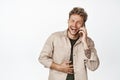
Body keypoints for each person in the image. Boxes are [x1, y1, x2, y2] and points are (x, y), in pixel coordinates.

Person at [38, 7, 99, 80]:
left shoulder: (88, 42)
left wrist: (85, 44)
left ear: (83, 25)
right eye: (72, 21)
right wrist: (58, 67)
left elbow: (94, 67)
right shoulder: (55, 37)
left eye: (78, 22)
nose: (74, 25)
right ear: (68, 21)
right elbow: (42, 58)